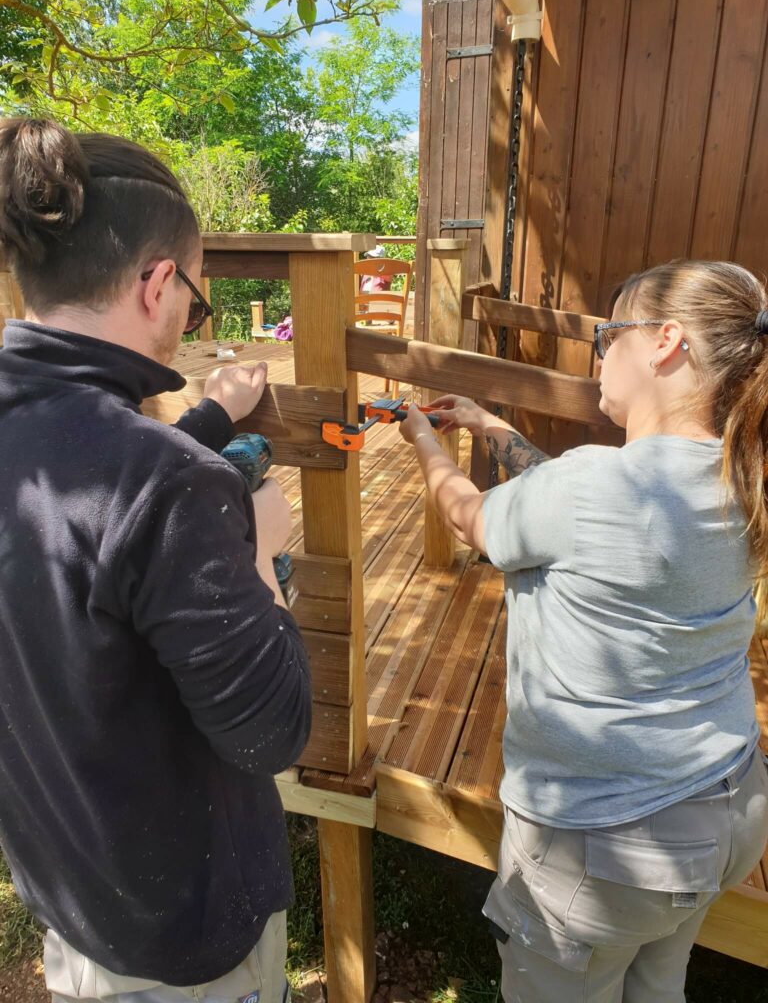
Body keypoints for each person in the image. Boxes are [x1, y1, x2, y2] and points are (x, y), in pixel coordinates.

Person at [0, 117, 312, 1003]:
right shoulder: (169, 483)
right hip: (185, 939)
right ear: (158, 283)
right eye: (196, 300)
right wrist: (260, 552)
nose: (189, 317)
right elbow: (271, 730)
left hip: (73, 887)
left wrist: (210, 419)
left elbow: (91, 488)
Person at [399, 259, 768, 1002]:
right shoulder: (741, 473)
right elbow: (574, 511)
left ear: (666, 343)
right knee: (656, 988)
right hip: (725, 808)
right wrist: (489, 423)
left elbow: (473, 517)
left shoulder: (594, 485)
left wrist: (427, 444)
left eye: (610, 333)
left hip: (608, 845)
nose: (600, 351)